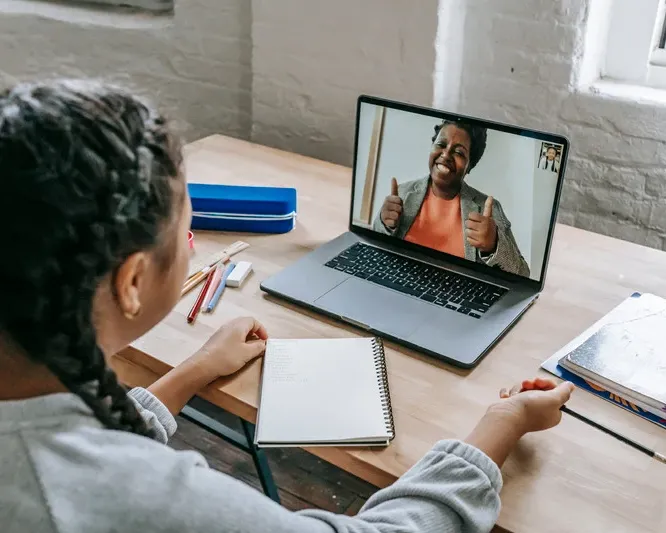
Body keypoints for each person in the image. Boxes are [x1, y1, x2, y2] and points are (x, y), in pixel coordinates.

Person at [0, 80, 575, 533]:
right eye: (188, 225)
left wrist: (194, 371)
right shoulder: (139, 496)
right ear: (132, 281)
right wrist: (503, 423)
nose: (445, 154)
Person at [372, 120, 530, 277]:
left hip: (456, 297)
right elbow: (375, 248)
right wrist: (383, 223)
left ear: (469, 166)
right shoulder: (403, 193)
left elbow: (522, 274)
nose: (446, 154)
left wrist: (493, 245)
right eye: (441, 144)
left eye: (459, 153)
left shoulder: (488, 209)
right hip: (400, 282)